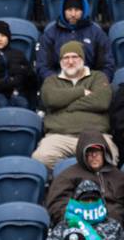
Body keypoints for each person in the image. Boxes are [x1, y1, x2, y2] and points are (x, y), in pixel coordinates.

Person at [32, 43, 113, 171]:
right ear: (60, 61)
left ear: (82, 59)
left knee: (109, 157)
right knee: (41, 158)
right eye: (66, 58)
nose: (70, 61)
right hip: (59, 136)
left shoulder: (98, 77)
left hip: (94, 135)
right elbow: (51, 99)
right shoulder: (51, 81)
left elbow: (101, 101)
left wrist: (67, 106)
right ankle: (73, 179)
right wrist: (81, 92)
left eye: (74, 57)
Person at [36, 0, 114, 85]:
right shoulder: (50, 34)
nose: (73, 14)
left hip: (90, 84)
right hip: (59, 85)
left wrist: (96, 84)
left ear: (83, 11)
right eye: (69, 10)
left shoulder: (97, 33)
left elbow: (107, 65)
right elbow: (43, 66)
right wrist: (58, 83)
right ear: (63, 11)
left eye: (77, 10)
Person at [46, 131, 124, 225]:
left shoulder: (117, 176)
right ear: (83, 154)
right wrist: (76, 218)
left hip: (115, 226)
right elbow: (57, 204)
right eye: (90, 152)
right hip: (80, 226)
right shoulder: (68, 175)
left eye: (97, 152)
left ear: (104, 153)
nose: (94, 156)